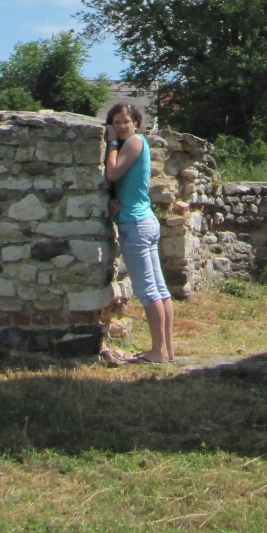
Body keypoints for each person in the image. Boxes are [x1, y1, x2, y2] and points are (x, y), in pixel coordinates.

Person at [103, 101, 175, 364]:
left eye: (126, 121)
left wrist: (111, 143)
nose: (122, 126)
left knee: (148, 292)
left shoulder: (134, 142)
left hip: (135, 224)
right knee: (160, 289)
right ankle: (167, 350)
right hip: (144, 221)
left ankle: (157, 352)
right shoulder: (136, 144)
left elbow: (112, 172)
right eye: (116, 122)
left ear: (136, 123)